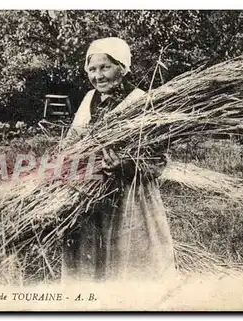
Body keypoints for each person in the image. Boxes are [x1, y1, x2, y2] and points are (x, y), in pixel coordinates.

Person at [62, 38, 176, 282]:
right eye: (92, 69)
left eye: (105, 67)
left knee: (129, 260)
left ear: (122, 68)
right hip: (89, 192)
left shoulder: (140, 101)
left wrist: (125, 165)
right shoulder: (88, 99)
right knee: (88, 261)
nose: (98, 75)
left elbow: (158, 157)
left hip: (129, 195)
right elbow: (71, 140)